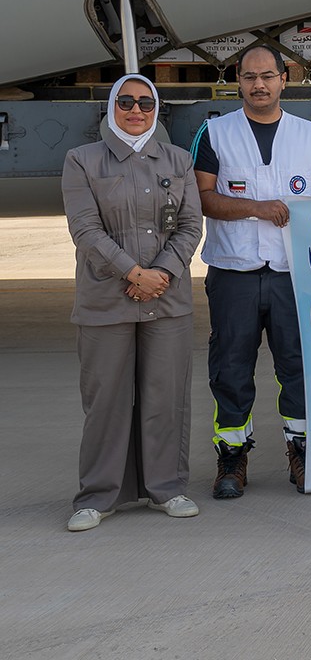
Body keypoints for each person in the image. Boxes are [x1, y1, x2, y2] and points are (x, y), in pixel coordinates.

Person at [192, 45, 311, 499]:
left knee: (297, 365)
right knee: (231, 367)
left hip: (292, 273)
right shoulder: (214, 133)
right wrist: (257, 208)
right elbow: (204, 198)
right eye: (250, 76)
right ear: (239, 80)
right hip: (233, 270)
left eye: (268, 76)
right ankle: (232, 455)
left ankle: (302, 450)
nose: (259, 84)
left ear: (284, 79)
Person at [61, 74, 203, 531]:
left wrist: (161, 272)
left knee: (167, 396)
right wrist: (132, 272)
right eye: (125, 101)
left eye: (145, 102)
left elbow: (189, 226)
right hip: (107, 298)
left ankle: (168, 489)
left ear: (156, 108)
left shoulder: (179, 160)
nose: (136, 110)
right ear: (111, 106)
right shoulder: (82, 160)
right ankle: (97, 496)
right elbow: (85, 229)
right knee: (107, 399)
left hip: (167, 298)